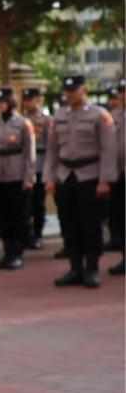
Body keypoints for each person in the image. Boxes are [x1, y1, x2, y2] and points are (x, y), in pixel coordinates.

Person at [45, 74, 118, 288]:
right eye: (67, 91)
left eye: (73, 91)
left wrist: (105, 180)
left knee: (91, 224)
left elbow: (108, 150)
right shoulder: (58, 116)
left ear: (83, 90)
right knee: (68, 224)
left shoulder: (99, 115)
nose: (69, 95)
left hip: (90, 175)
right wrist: (50, 177)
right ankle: (75, 268)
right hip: (65, 176)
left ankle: (92, 268)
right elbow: (52, 150)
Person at [0, 87, 35, 270]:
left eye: (4, 101)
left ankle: (17, 253)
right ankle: (7, 251)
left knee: (18, 216)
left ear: (12, 102)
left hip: (16, 174)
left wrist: (29, 177)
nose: (0, 105)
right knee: (2, 215)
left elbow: (30, 153)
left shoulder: (23, 123)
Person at [21, 87, 51, 249]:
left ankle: (38, 234)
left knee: (38, 203)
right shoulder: (20, 119)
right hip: (24, 166)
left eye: (30, 99)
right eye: (25, 100)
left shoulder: (46, 121)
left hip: (40, 164)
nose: (27, 103)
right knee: (24, 204)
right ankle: (27, 235)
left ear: (38, 100)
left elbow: (50, 146)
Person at [110, 81, 126, 276]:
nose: (123, 95)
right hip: (118, 175)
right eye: (121, 92)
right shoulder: (112, 117)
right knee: (120, 218)